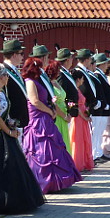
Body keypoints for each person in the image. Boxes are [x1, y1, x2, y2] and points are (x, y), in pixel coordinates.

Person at [0, 64, 45, 214]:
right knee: (3, 165)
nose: (8, 78)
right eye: (6, 76)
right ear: (2, 77)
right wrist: (9, 131)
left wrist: (11, 124)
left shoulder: (2, 92)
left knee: (13, 167)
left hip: (6, 132)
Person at [22, 47, 82, 193]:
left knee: (54, 148)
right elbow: (35, 101)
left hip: (47, 117)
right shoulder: (30, 81)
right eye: (36, 65)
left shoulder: (41, 79)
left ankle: (58, 180)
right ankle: (44, 181)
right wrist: (51, 110)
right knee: (40, 150)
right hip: (37, 118)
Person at [0, 39, 29, 130]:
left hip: (21, 120)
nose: (22, 57)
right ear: (14, 55)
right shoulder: (3, 71)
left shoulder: (15, 71)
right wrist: (9, 120)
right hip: (12, 121)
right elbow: (3, 96)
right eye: (21, 54)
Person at [69, 69, 93, 172]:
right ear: (78, 79)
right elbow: (76, 106)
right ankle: (77, 162)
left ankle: (83, 161)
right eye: (82, 79)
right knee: (77, 140)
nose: (83, 81)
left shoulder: (78, 89)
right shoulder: (74, 90)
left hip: (83, 116)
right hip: (78, 118)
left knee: (84, 139)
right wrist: (84, 117)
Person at [46, 60, 71, 153]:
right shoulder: (49, 84)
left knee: (65, 140)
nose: (59, 71)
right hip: (58, 116)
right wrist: (64, 116)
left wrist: (68, 113)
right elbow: (54, 104)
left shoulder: (56, 82)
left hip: (64, 115)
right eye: (58, 69)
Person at [92, 53, 110, 159]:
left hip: (104, 108)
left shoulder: (101, 75)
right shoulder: (97, 75)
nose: (107, 65)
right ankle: (95, 153)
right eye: (105, 63)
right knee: (96, 133)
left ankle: (98, 152)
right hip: (100, 109)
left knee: (100, 132)